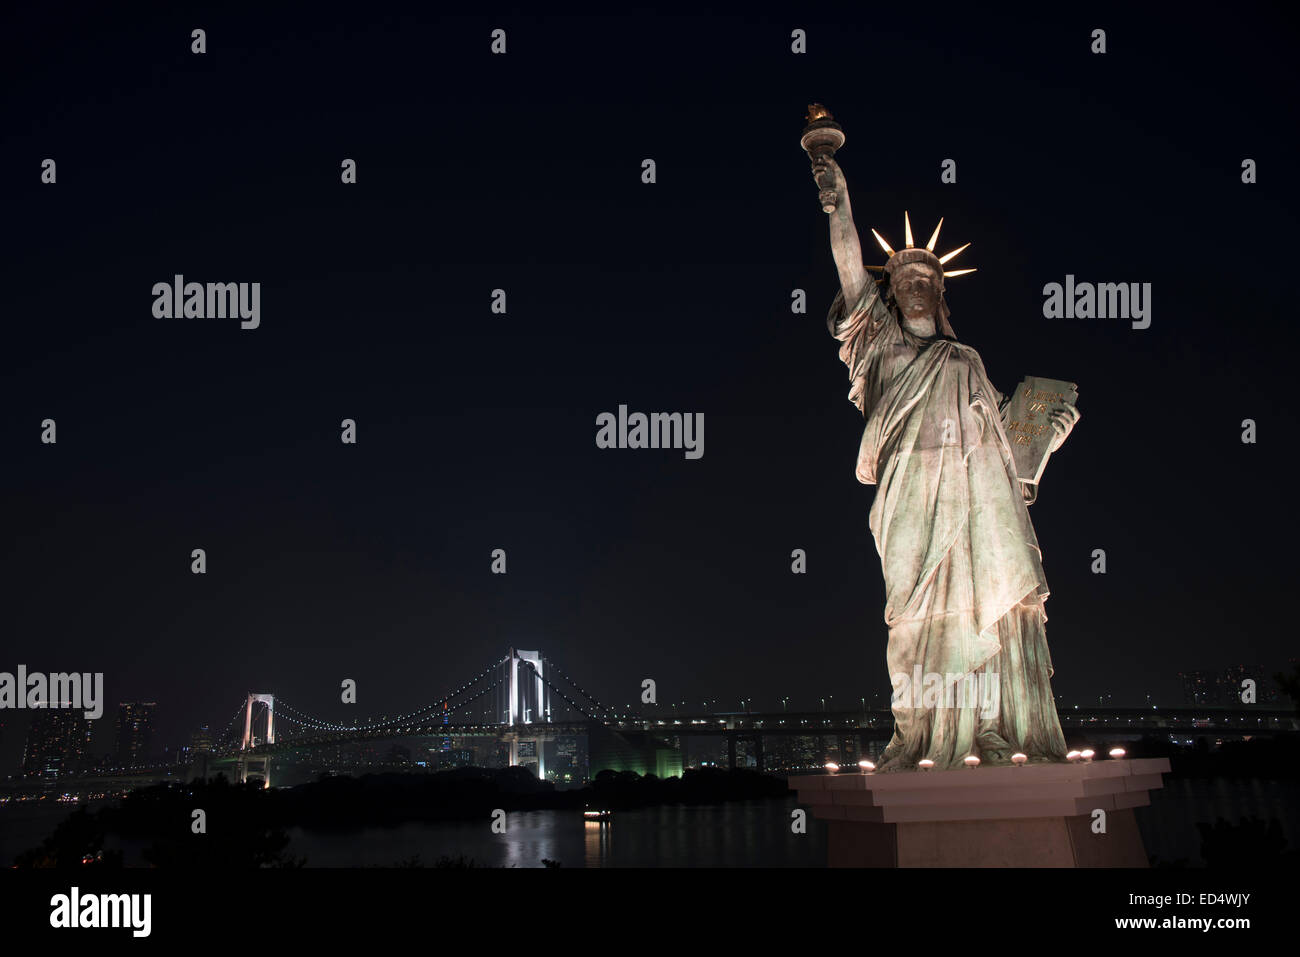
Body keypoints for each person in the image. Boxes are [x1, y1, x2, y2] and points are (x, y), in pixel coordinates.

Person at [813, 154, 1079, 770]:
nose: (913, 286)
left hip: (980, 506)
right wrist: (838, 196)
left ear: (939, 290)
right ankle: (925, 733)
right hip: (909, 497)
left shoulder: (968, 360)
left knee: (990, 603)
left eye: (924, 280)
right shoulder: (878, 344)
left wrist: (1044, 443)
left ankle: (988, 730)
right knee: (915, 618)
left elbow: (1004, 454)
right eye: (901, 280)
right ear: (890, 293)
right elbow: (850, 266)